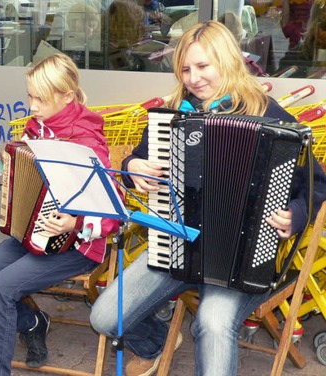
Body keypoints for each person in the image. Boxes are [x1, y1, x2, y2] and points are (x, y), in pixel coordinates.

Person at [89, 20, 326, 376]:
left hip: (241, 258)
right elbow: (135, 161)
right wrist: (134, 165)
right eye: (185, 69)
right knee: (105, 317)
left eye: (203, 66)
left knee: (213, 324)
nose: (193, 78)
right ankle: (154, 344)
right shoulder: (172, 116)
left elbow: (315, 184)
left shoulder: (268, 115)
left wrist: (296, 212)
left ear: (228, 62)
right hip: (175, 246)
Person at [0, 53, 122, 376]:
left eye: (39, 98)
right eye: (30, 96)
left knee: (1, 288)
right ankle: (32, 321)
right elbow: (17, 170)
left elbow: (114, 209)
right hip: (32, 234)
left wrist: (76, 222)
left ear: (66, 96)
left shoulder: (87, 140)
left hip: (76, 244)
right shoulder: (37, 128)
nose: (31, 106)